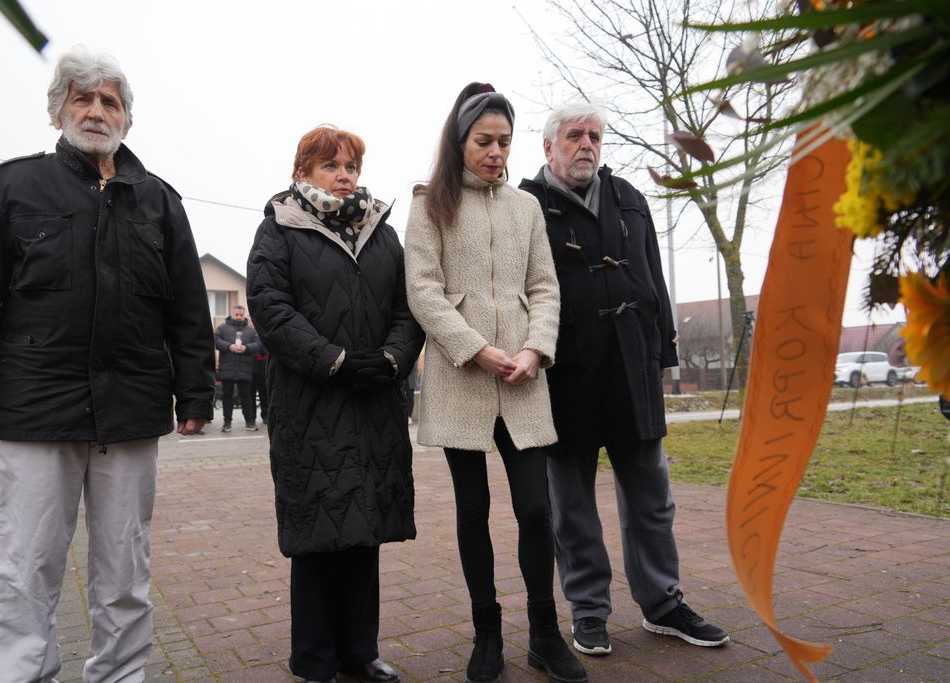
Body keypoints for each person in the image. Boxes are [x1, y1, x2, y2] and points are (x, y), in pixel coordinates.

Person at [0, 48, 215, 682]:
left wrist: (196, 394)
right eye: (82, 98)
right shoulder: (13, 187)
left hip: (131, 411)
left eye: (110, 101)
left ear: (127, 119)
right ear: (59, 110)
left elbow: (189, 313)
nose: (96, 111)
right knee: (25, 568)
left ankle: (120, 675)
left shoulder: (160, 201)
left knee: (125, 570)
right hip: (36, 412)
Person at [518, 102, 729, 657]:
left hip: (633, 369)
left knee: (652, 499)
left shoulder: (629, 196)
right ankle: (589, 611)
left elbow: (652, 273)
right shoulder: (525, 206)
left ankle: (663, 603)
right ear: (548, 146)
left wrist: (662, 350)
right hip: (565, 376)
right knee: (573, 509)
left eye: (594, 135)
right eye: (574, 135)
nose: (586, 144)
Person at [405, 83, 587, 683]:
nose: (495, 152)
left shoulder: (526, 207)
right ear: (459, 141)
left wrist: (536, 349)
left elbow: (544, 286)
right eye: (483, 141)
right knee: (473, 510)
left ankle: (544, 634)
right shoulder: (430, 203)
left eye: (504, 141)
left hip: (524, 379)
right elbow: (423, 290)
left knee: (536, 509)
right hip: (463, 376)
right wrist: (475, 349)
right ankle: (487, 634)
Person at [247, 125, 424, 683]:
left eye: (351, 166)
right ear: (303, 171)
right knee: (318, 529)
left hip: (374, 399)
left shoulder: (381, 232)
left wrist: (392, 359)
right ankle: (315, 658)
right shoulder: (279, 228)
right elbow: (271, 309)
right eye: (331, 166)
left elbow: (409, 307)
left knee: (364, 526)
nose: (344, 176)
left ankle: (360, 651)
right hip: (310, 403)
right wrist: (334, 361)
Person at [214, 304, 262, 431]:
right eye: (237, 314)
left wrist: (247, 348)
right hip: (227, 368)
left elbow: (258, 344)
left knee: (246, 396)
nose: (239, 317)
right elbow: (216, 341)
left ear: (244, 315)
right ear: (232, 314)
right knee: (227, 396)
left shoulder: (251, 331)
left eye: (241, 315)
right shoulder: (222, 328)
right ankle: (227, 423)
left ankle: (250, 422)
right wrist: (229, 347)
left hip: (244, 369)